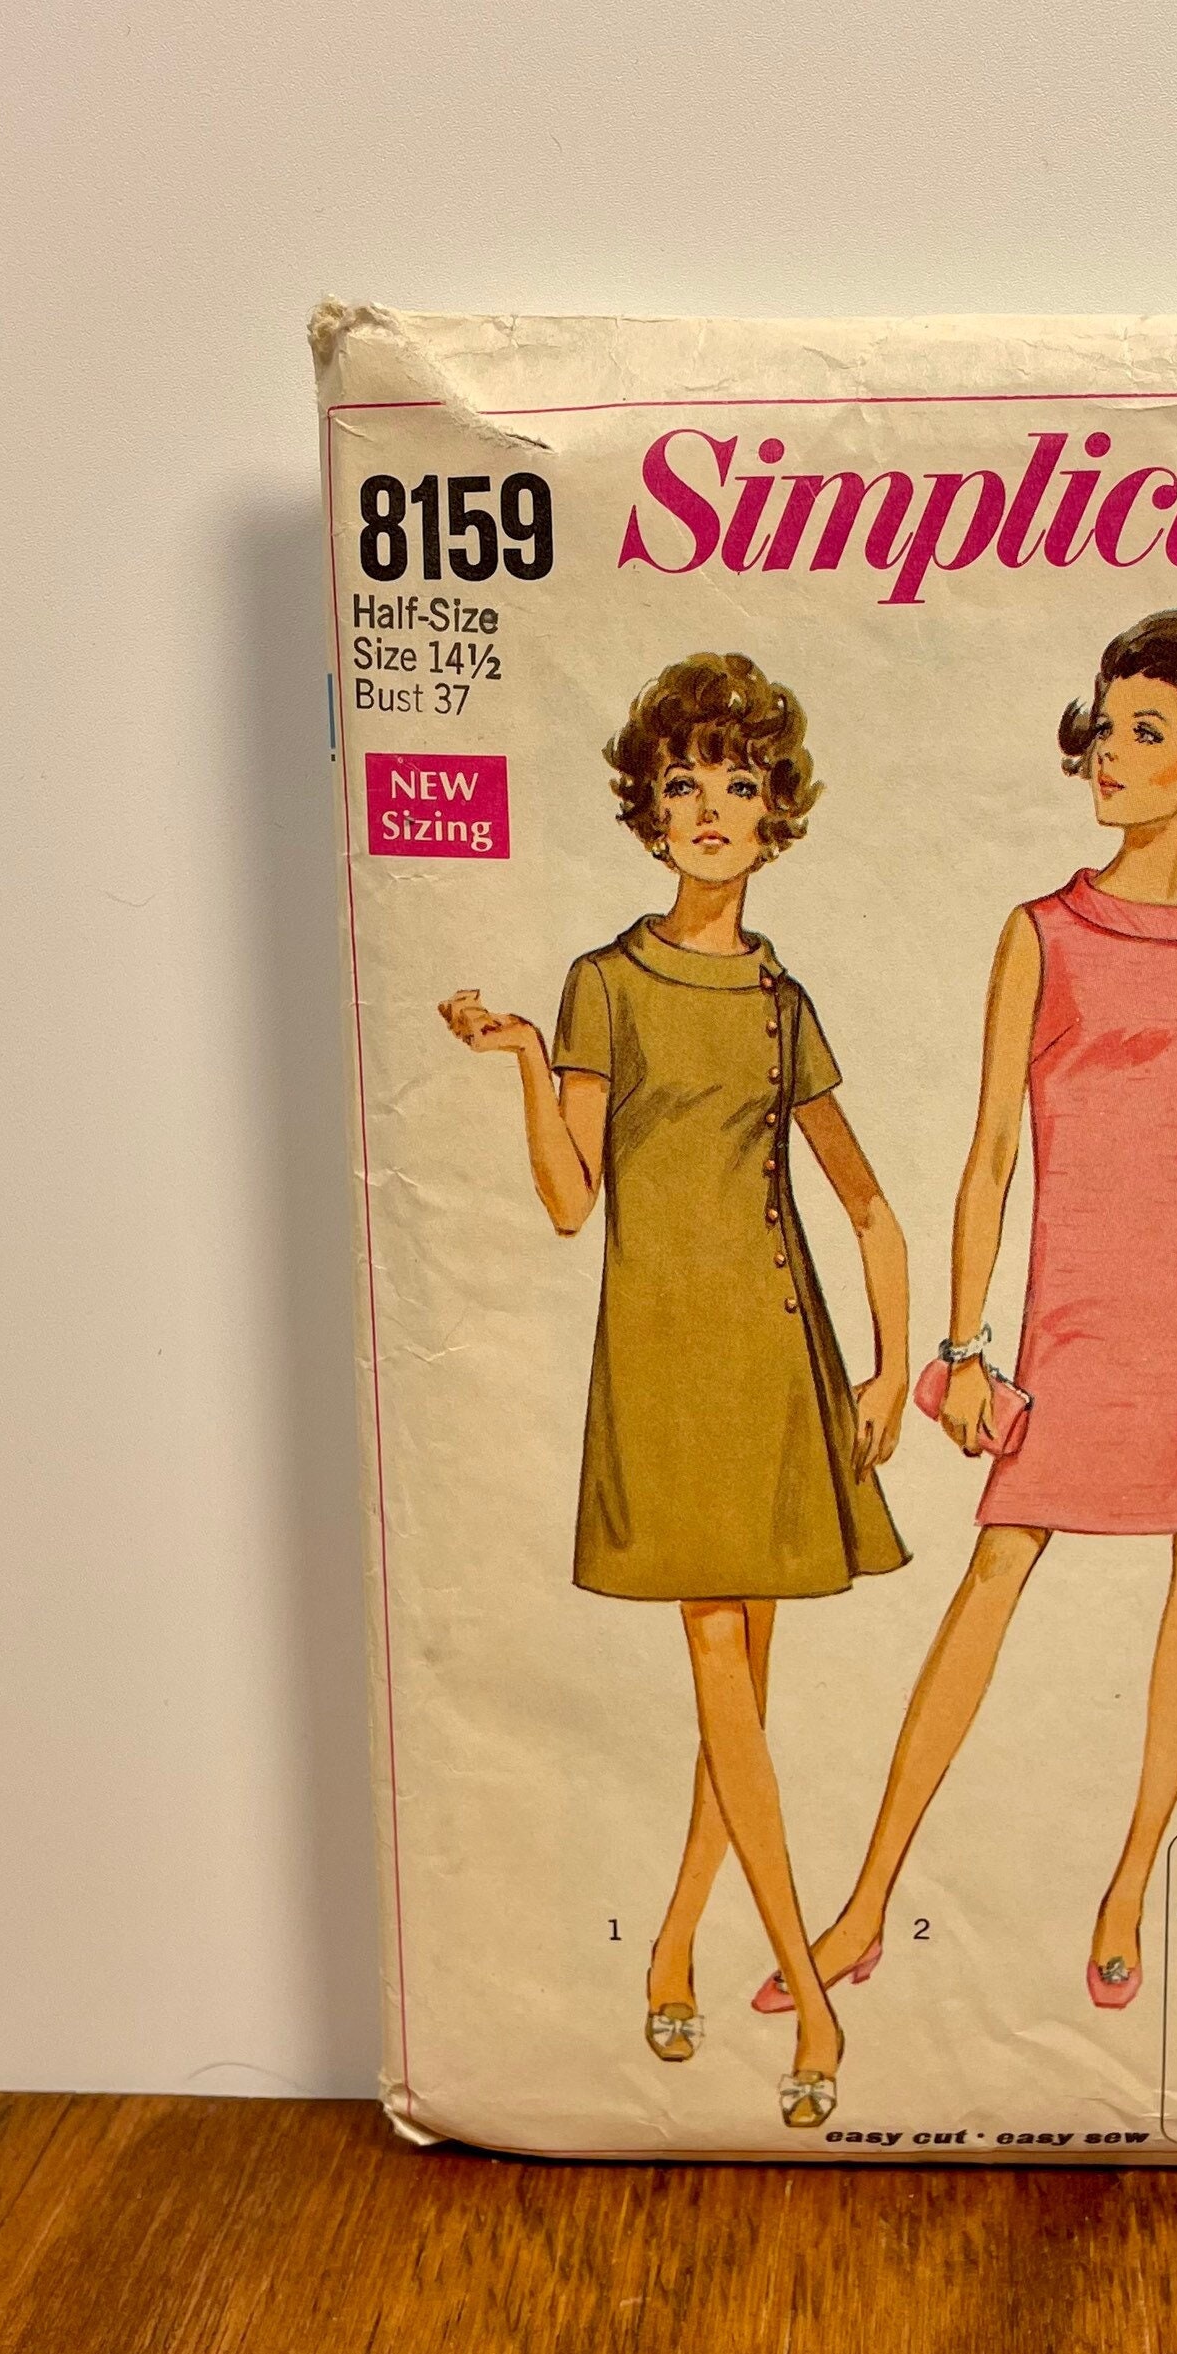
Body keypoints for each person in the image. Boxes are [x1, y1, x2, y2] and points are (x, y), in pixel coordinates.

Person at [765, 609, 1177, 2021]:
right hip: (1071, 1322)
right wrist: (964, 1346)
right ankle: (865, 1905)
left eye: (1148, 731)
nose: (1110, 750)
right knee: (994, 1573)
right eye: (1106, 722)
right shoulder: (1040, 934)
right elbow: (988, 1157)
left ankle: (1128, 1883)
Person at [442, 652, 908, 2130]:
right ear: (650, 812)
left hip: (778, 1357)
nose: (710, 807)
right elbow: (569, 1201)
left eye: (739, 784)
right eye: (684, 784)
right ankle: (810, 1995)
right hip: (661, 1360)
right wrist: (528, 1062)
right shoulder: (604, 983)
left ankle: (669, 1942)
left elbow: (868, 1205)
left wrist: (892, 1365)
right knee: (722, 1665)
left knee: (740, 1695)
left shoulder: (780, 998)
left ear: (776, 816)